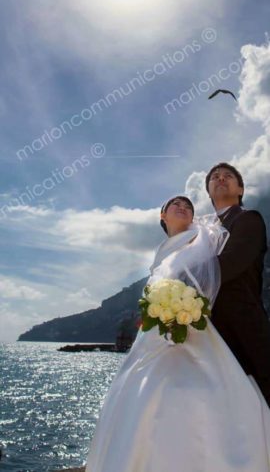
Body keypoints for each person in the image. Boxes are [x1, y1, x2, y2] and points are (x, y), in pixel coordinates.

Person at [86, 196, 270, 472]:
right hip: (155, 335)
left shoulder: (203, 238)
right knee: (140, 399)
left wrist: (186, 303)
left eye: (189, 206)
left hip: (195, 324)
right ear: (163, 215)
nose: (184, 207)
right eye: (176, 205)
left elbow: (211, 274)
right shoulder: (162, 253)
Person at [206, 162, 270, 406]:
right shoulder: (200, 231)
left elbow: (230, 263)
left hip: (247, 336)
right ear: (209, 192)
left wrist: (183, 284)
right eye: (215, 177)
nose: (221, 178)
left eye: (228, 176)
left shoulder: (249, 220)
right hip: (210, 337)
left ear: (240, 190)